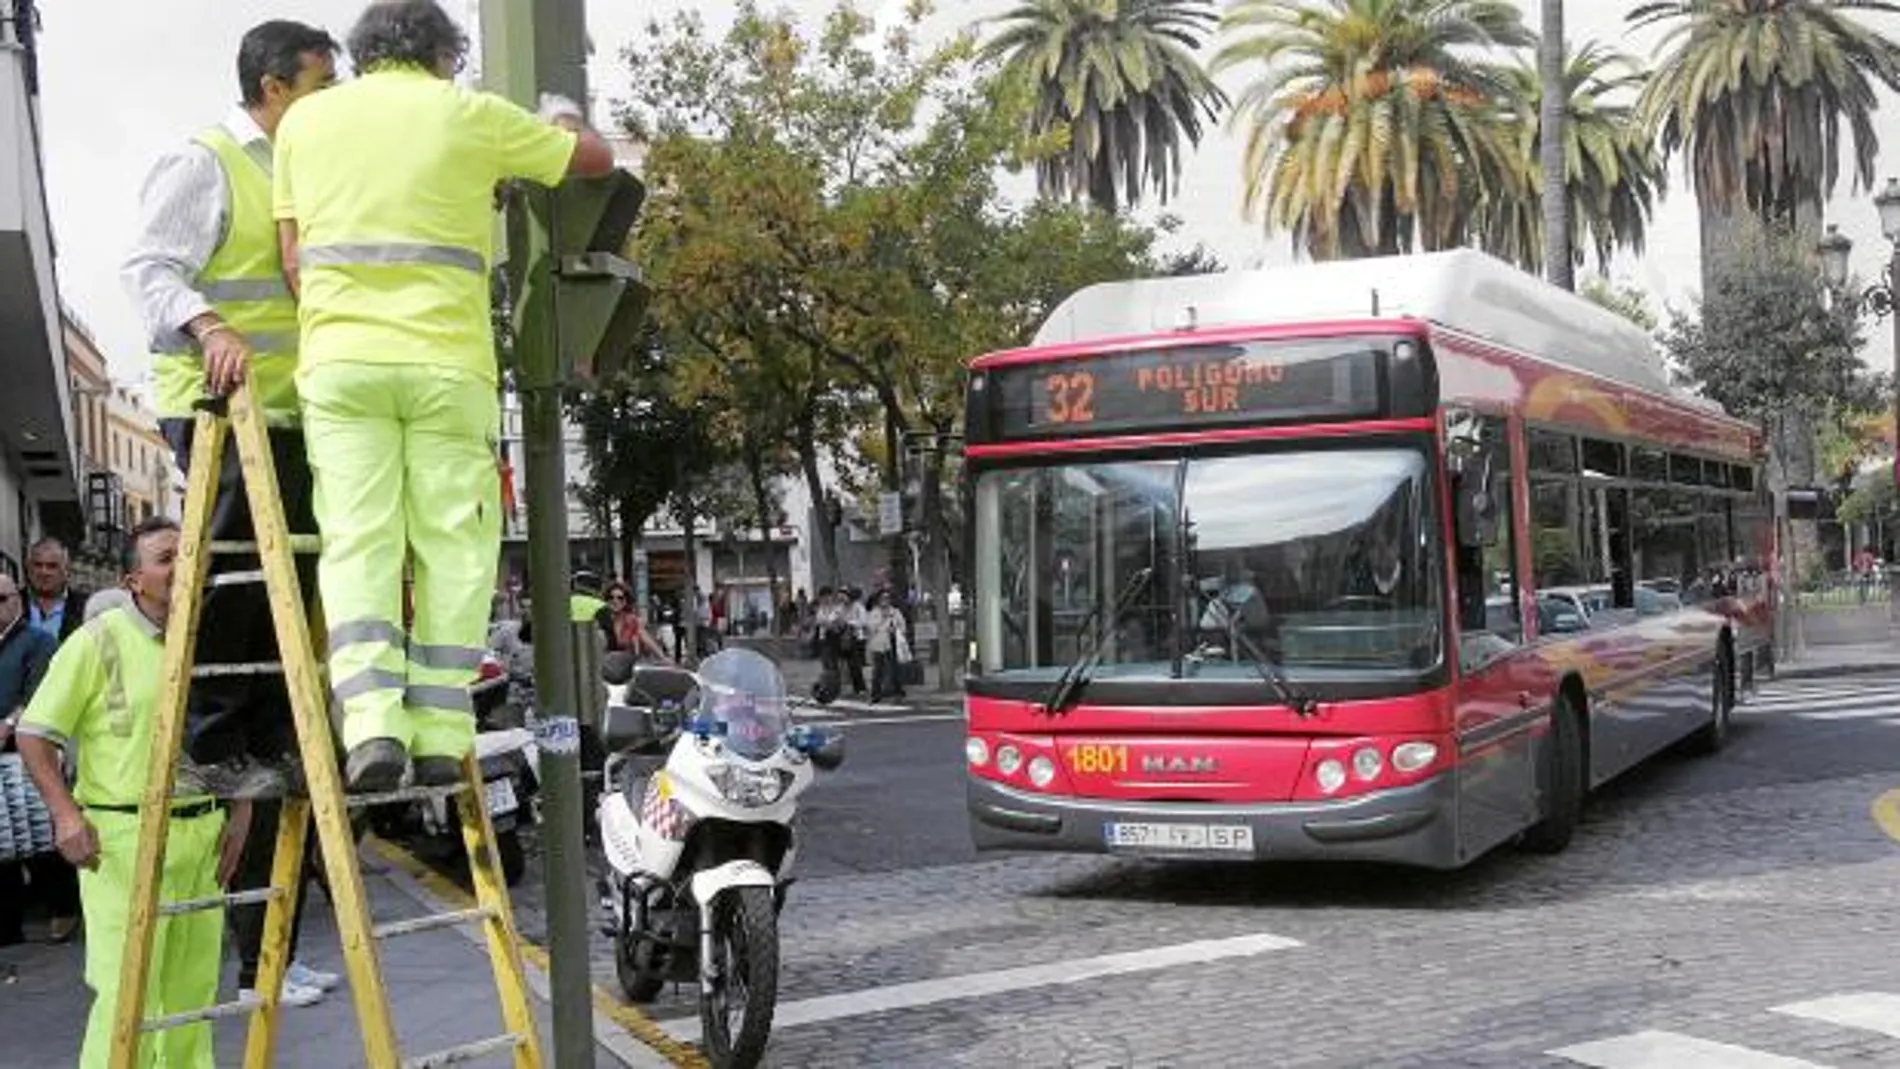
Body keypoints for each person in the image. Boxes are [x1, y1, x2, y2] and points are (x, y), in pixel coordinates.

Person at [272, 0, 616, 790]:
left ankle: (369, 726)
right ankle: (438, 727)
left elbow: (294, 259)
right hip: (444, 363)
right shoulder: (468, 114)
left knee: (360, 538)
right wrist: (559, 118)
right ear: (441, 54)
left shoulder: (304, 125)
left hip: (339, 359)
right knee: (451, 542)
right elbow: (590, 159)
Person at [123, 18, 339, 800]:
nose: (333, 102)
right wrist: (209, 324)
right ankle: (210, 738)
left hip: (295, 411)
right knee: (241, 565)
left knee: (303, 570)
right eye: (322, 86)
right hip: (217, 405)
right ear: (273, 88)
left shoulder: (308, 173)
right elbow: (150, 272)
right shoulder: (205, 163)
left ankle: (278, 733)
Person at [16, 518, 252, 1069]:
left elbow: (231, 733)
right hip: (123, 838)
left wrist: (239, 808)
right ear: (132, 579)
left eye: (189, 554)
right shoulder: (96, 641)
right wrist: (65, 815)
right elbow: (34, 733)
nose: (181, 566)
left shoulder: (210, 639)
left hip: (203, 832)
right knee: (130, 994)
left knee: (193, 996)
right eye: (166, 558)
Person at [0, 572, 56, 946]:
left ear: (17, 599)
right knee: (4, 845)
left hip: (24, 755)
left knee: (39, 842)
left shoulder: (38, 641)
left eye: (2, 599)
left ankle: (61, 909)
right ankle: (8, 926)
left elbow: (39, 694)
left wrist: (7, 724)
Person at [24, 539, 88, 644]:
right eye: (38, 565)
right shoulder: (10, 602)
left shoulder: (84, 608)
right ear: (29, 568)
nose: (44, 572)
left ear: (66, 570)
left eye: (52, 566)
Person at [598, 580, 669, 661]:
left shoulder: (632, 620)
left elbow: (645, 637)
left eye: (620, 598)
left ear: (626, 601)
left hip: (627, 665)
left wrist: (663, 657)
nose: (615, 601)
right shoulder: (602, 620)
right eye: (611, 597)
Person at [864, 588, 910, 703]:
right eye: (883, 598)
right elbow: (870, 627)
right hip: (878, 643)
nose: (885, 601)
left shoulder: (895, 612)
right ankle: (875, 693)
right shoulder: (874, 613)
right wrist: (883, 619)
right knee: (878, 669)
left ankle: (898, 691)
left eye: (887, 598)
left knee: (894, 668)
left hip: (892, 642)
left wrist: (896, 629)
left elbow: (902, 626)